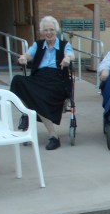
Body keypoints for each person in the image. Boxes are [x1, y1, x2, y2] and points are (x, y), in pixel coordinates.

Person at [11, 16, 74, 151]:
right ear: (42, 32)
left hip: (57, 79)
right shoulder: (38, 45)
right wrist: (23, 58)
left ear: (56, 30)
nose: (49, 33)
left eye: (51, 29)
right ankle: (26, 112)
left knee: (39, 96)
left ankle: (53, 136)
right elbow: (28, 55)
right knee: (17, 81)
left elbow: (70, 54)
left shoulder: (64, 45)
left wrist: (67, 59)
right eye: (46, 30)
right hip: (39, 78)